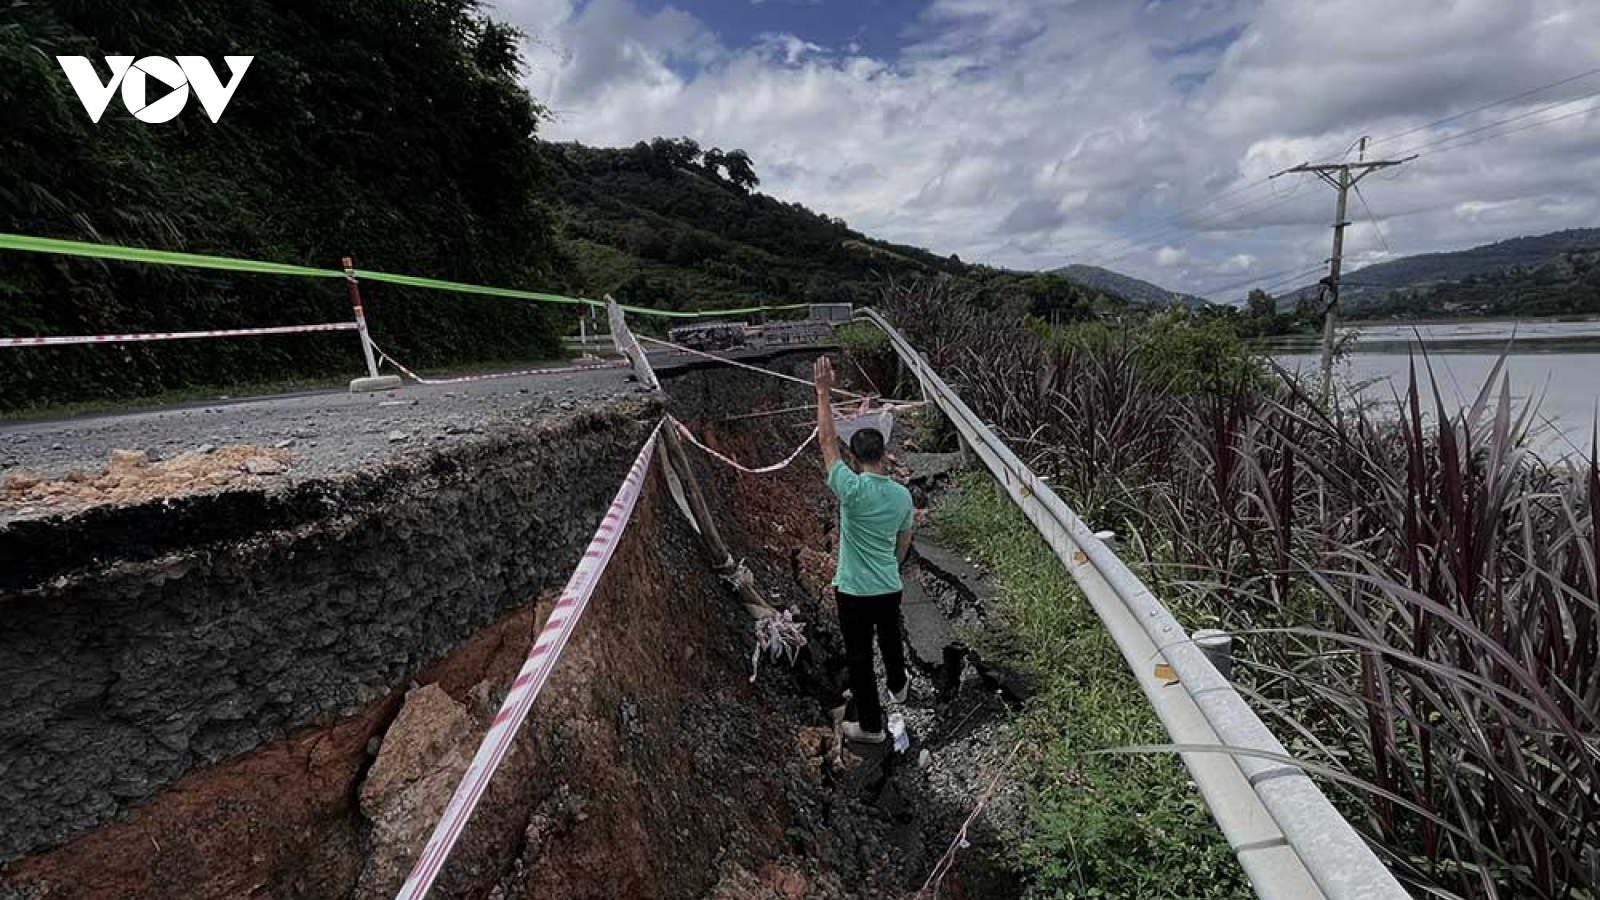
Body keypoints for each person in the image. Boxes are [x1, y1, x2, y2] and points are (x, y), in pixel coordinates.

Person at [813, 356, 914, 744]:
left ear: (853, 459)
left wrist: (823, 392)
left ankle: (871, 726)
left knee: (859, 656)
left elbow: (825, 442)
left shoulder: (851, 490)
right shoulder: (902, 495)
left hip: (854, 590)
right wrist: (894, 563)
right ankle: (900, 686)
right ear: (884, 453)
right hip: (888, 584)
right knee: (890, 638)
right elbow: (904, 539)